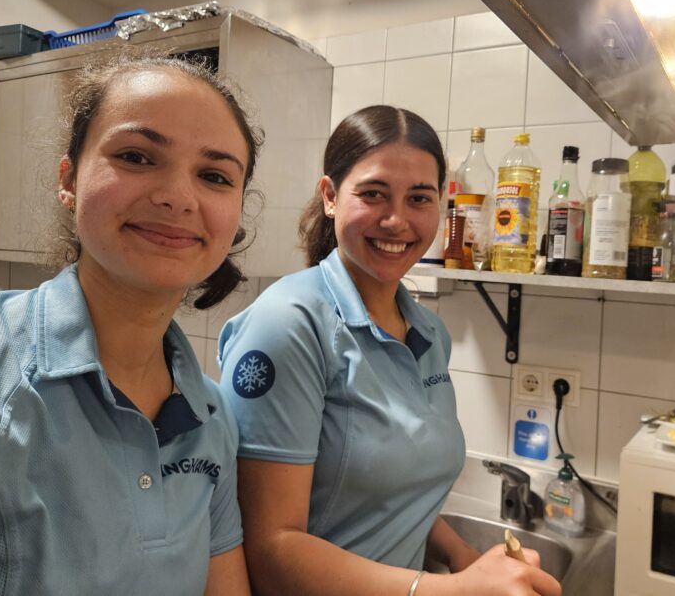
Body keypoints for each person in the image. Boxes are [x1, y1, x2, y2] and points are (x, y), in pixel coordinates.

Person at [217, 105, 562, 596]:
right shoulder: (289, 325)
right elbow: (270, 549)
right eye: (373, 194)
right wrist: (453, 591)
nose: (397, 220)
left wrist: (463, 559)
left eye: (419, 198)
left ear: (441, 204)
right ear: (331, 197)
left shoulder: (426, 332)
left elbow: (395, 494)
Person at [0, 53, 262, 595]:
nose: (178, 196)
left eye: (215, 176)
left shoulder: (211, 417)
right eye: (136, 156)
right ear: (69, 178)